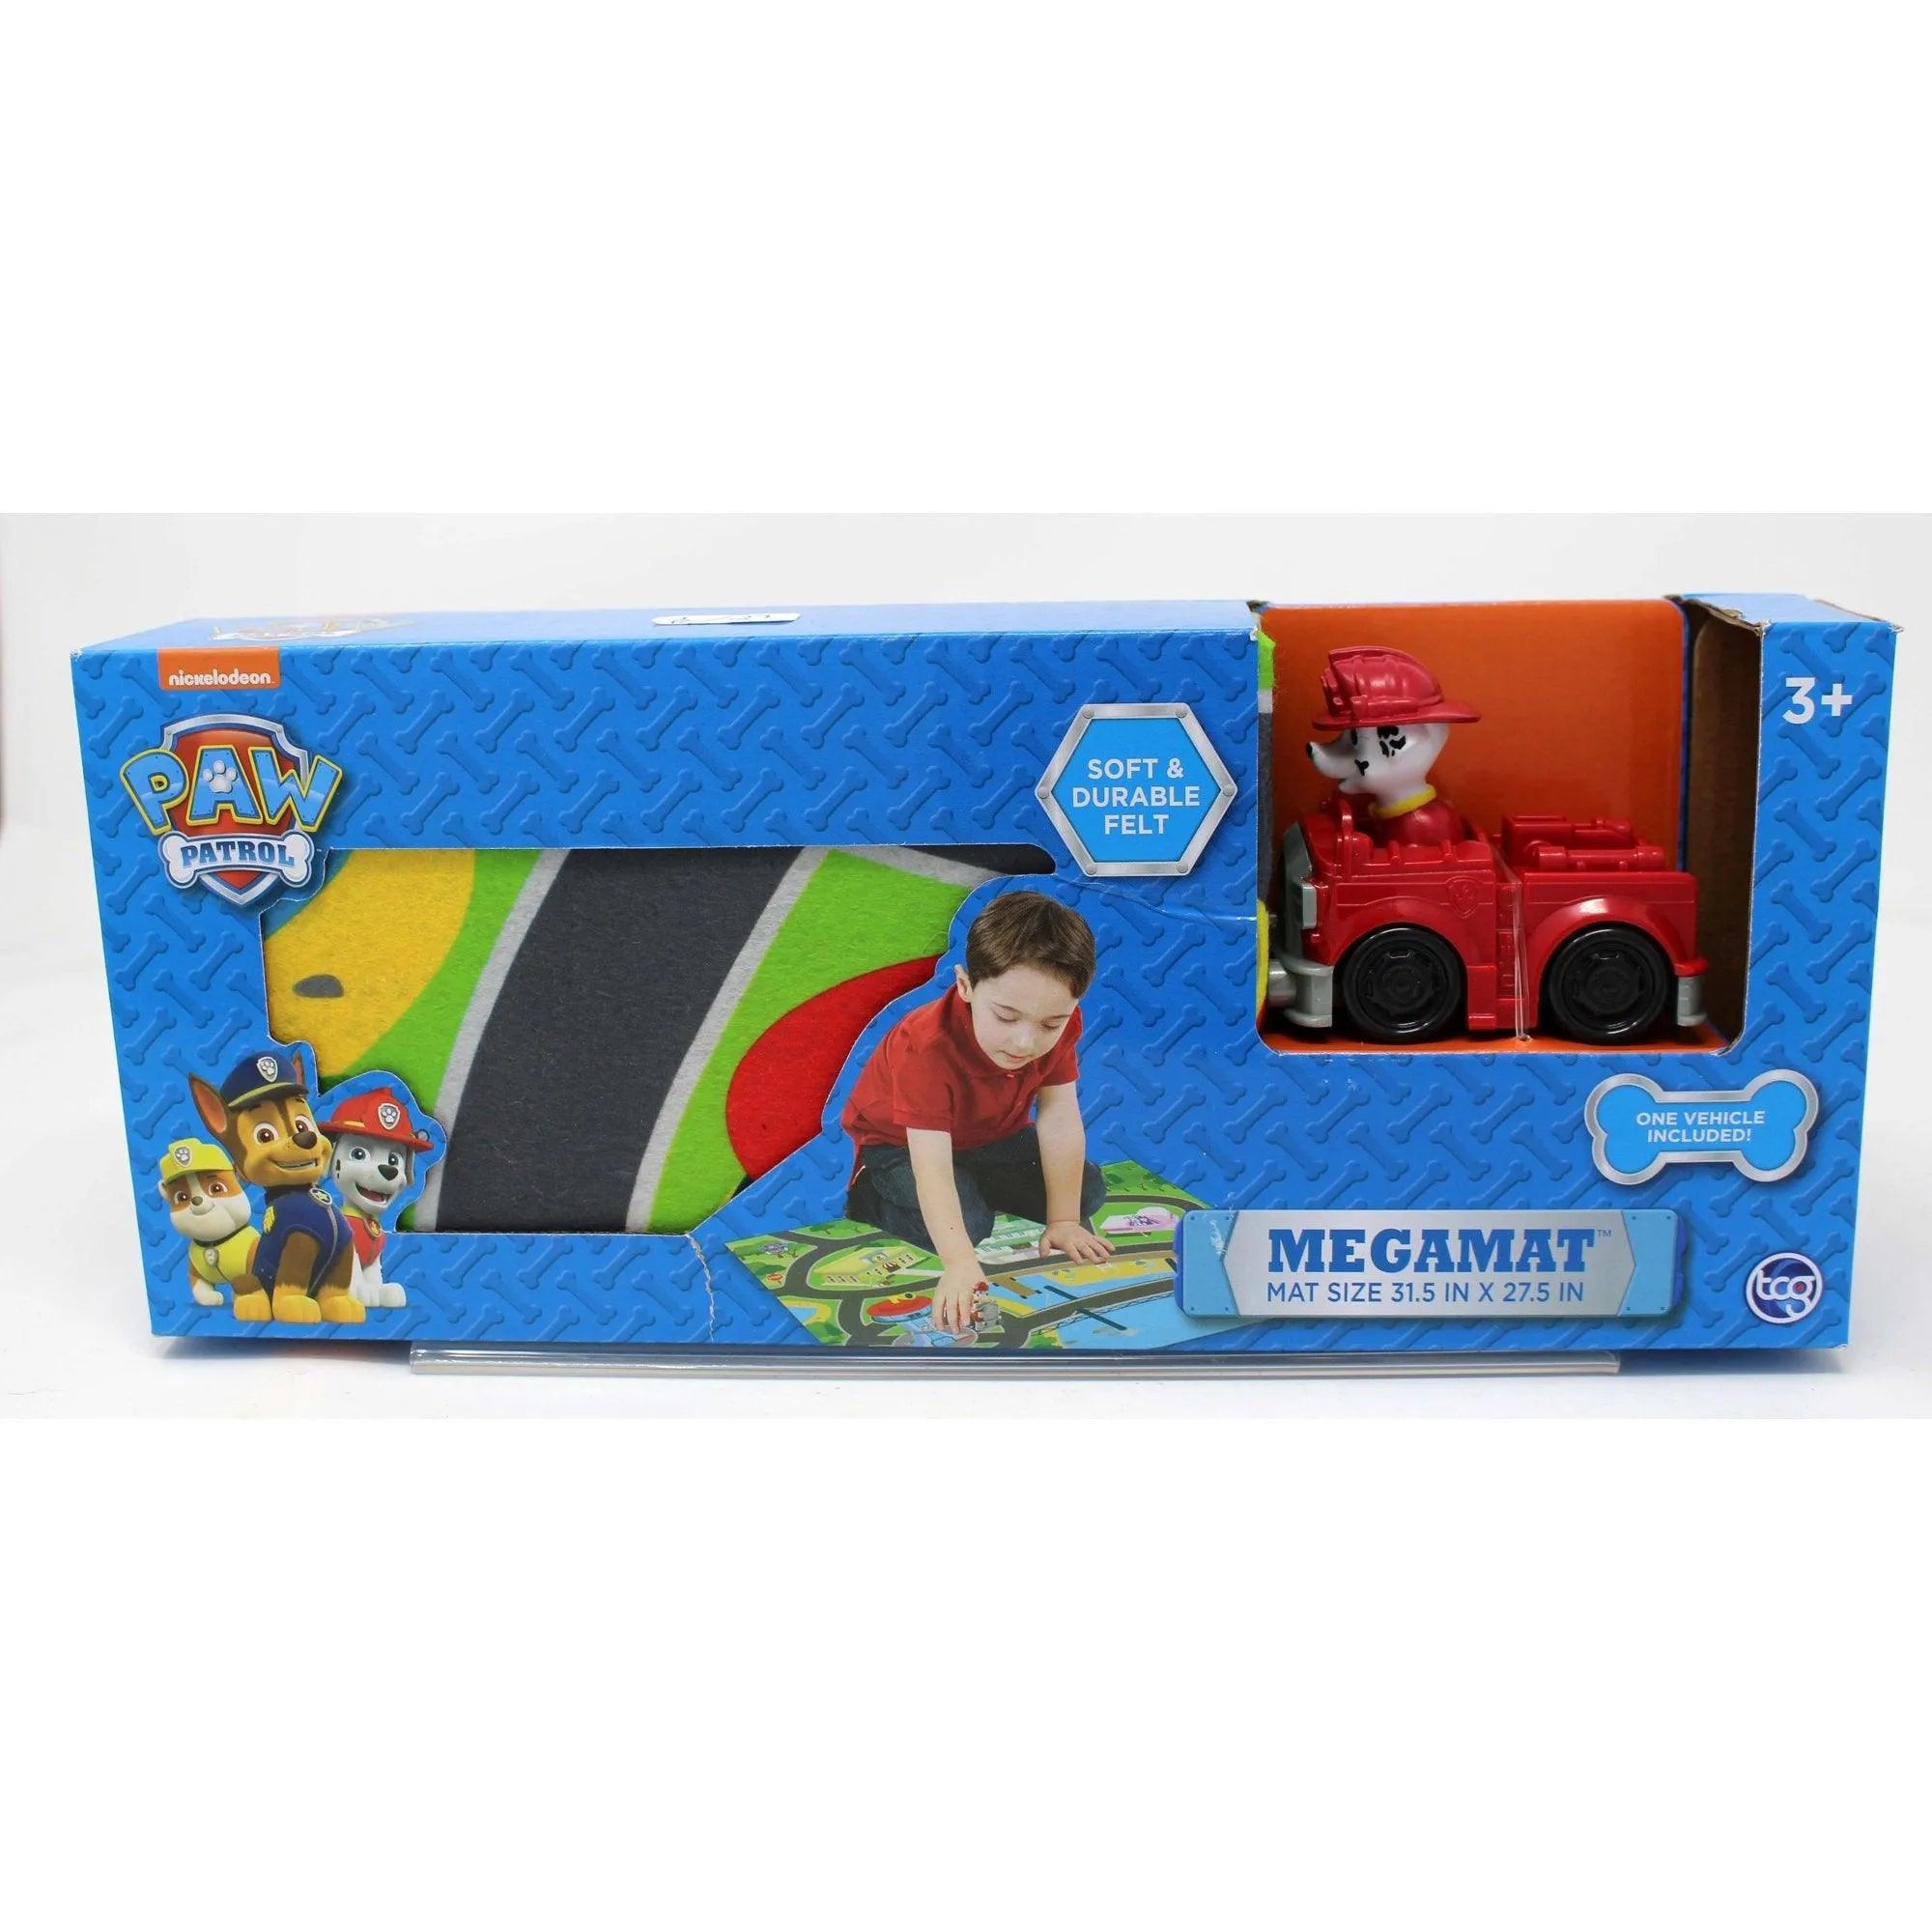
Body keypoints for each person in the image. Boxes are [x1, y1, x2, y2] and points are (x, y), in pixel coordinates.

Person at [841, 890, 1112, 1335]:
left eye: (1050, 1024)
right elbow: (930, 1160)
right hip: (900, 1145)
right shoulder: (925, 1044)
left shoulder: (1063, 1024)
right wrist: (960, 1262)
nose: (1025, 1042)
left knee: (1087, 1191)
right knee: (969, 1226)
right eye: (1006, 1017)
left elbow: (1059, 1116)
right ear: (965, 986)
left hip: (989, 1136)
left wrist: (1063, 1220)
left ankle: (977, 1186)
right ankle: (869, 1195)